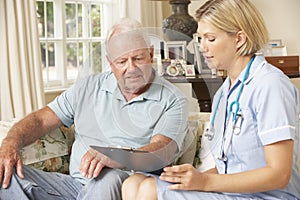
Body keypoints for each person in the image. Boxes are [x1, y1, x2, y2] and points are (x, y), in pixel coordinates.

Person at [121, 0, 300, 199]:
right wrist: (191, 179)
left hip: (266, 196)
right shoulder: (225, 93)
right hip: (232, 193)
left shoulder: (270, 85)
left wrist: (205, 182)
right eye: (200, 39)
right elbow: (227, 167)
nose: (202, 47)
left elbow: (279, 174)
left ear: (239, 39)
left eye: (210, 39)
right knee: (134, 182)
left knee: (148, 190)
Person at [0, 18, 189, 199]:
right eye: (122, 62)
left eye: (138, 58)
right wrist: (11, 142)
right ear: (110, 62)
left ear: (150, 53)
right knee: (5, 173)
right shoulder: (87, 88)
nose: (131, 68)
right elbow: (41, 120)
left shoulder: (172, 100)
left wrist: (114, 156)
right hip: (73, 186)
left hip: (122, 187)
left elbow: (160, 151)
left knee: (108, 177)